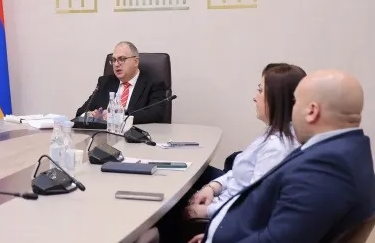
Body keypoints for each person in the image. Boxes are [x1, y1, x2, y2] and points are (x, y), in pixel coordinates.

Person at [187, 69, 375, 243]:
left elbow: (278, 240)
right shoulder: (349, 150)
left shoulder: (324, 169)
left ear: (311, 111)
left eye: (296, 102)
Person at [158, 63, 305, 243]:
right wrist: (213, 187)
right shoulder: (273, 131)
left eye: (260, 91)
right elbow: (240, 172)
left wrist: (208, 210)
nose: (254, 97)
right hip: (224, 198)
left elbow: (253, 204)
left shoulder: (278, 147)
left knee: (166, 207)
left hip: (226, 217)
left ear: (276, 98)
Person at [75, 41, 167, 124]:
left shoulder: (154, 83)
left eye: (122, 59)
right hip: (104, 134)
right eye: (114, 60)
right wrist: (91, 115)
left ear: (135, 61)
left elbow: (156, 114)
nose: (116, 64)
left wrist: (119, 115)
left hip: (135, 135)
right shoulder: (105, 83)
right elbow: (81, 112)